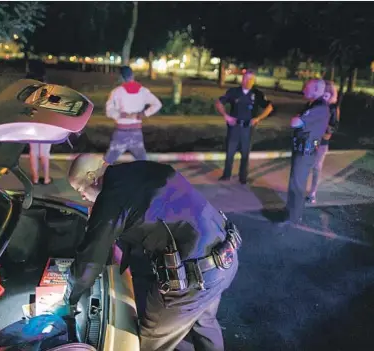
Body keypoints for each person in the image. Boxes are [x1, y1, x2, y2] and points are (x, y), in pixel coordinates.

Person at [60, 154, 241, 351]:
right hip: (224, 256)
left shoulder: (112, 197)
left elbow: (89, 262)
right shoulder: (141, 169)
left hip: (195, 279)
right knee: (204, 322)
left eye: (80, 189)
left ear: (92, 177)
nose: (83, 197)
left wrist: (69, 296)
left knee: (151, 339)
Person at [278, 79, 331, 227]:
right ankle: (291, 211)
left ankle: (293, 218)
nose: (303, 90)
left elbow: (295, 122)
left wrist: (297, 118)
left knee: (297, 184)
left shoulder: (320, 107)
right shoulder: (313, 105)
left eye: (306, 87)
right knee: (295, 182)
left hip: (305, 151)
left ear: (315, 89)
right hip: (302, 149)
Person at [215, 70, 274, 184]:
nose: (248, 81)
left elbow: (269, 107)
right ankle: (226, 175)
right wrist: (226, 116)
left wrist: (258, 118)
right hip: (234, 127)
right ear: (242, 79)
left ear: (253, 81)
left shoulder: (257, 94)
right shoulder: (234, 92)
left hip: (247, 128)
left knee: (245, 154)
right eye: (246, 78)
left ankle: (243, 178)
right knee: (230, 152)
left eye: (251, 79)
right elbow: (219, 102)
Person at [103, 66, 162, 165]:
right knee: (143, 162)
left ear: (121, 77)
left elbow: (109, 111)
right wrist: (142, 114)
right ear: (133, 75)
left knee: (107, 162)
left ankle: (98, 178)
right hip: (136, 133)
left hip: (121, 134)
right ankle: (145, 179)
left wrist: (121, 115)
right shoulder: (143, 91)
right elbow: (157, 104)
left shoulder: (116, 92)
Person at [307, 80, 340, 204]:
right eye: (324, 90)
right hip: (313, 138)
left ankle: (312, 192)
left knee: (316, 166)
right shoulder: (316, 103)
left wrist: (326, 133)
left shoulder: (333, 107)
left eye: (328, 91)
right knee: (307, 164)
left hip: (322, 141)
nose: (325, 93)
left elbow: (335, 125)